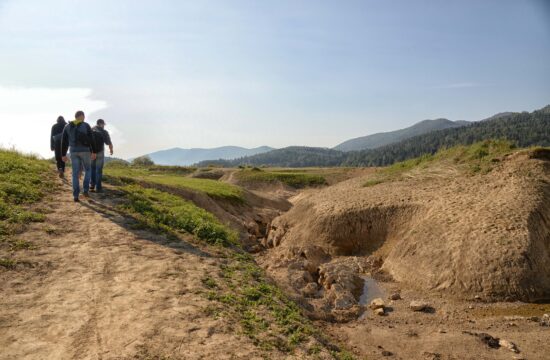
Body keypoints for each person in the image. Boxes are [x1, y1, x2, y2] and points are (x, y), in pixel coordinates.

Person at [60, 111, 97, 202]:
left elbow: (64, 141)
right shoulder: (86, 125)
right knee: (88, 170)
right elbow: (91, 139)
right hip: (85, 151)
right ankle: (85, 190)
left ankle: (76, 195)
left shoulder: (67, 126)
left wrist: (63, 154)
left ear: (75, 117)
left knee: (75, 173)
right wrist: (94, 151)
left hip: (73, 151)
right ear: (82, 116)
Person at [90, 119, 113, 193]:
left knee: (92, 169)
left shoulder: (91, 129)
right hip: (100, 152)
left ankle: (92, 185)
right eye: (104, 124)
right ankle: (98, 188)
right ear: (101, 124)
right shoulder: (104, 132)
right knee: (98, 170)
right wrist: (111, 150)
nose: (104, 126)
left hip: (91, 153)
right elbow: (108, 142)